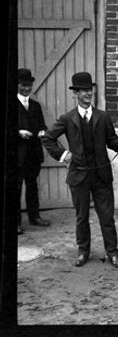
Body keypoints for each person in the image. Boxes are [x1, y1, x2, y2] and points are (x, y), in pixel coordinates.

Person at [41, 72, 118, 268]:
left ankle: (112, 252)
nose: (88, 93)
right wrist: (64, 155)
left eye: (90, 89)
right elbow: (47, 138)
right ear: (76, 93)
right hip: (78, 175)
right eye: (83, 90)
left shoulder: (103, 117)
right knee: (81, 217)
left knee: (107, 216)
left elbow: (111, 140)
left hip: (101, 175)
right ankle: (83, 251)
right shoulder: (67, 118)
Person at [17, 68, 50, 235]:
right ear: (17, 85)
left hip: (33, 153)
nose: (26, 88)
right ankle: (15, 223)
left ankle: (34, 217)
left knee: (32, 186)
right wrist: (18, 132)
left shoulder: (36, 106)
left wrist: (43, 131)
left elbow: (42, 126)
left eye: (29, 85)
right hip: (16, 155)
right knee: (15, 188)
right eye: (23, 85)